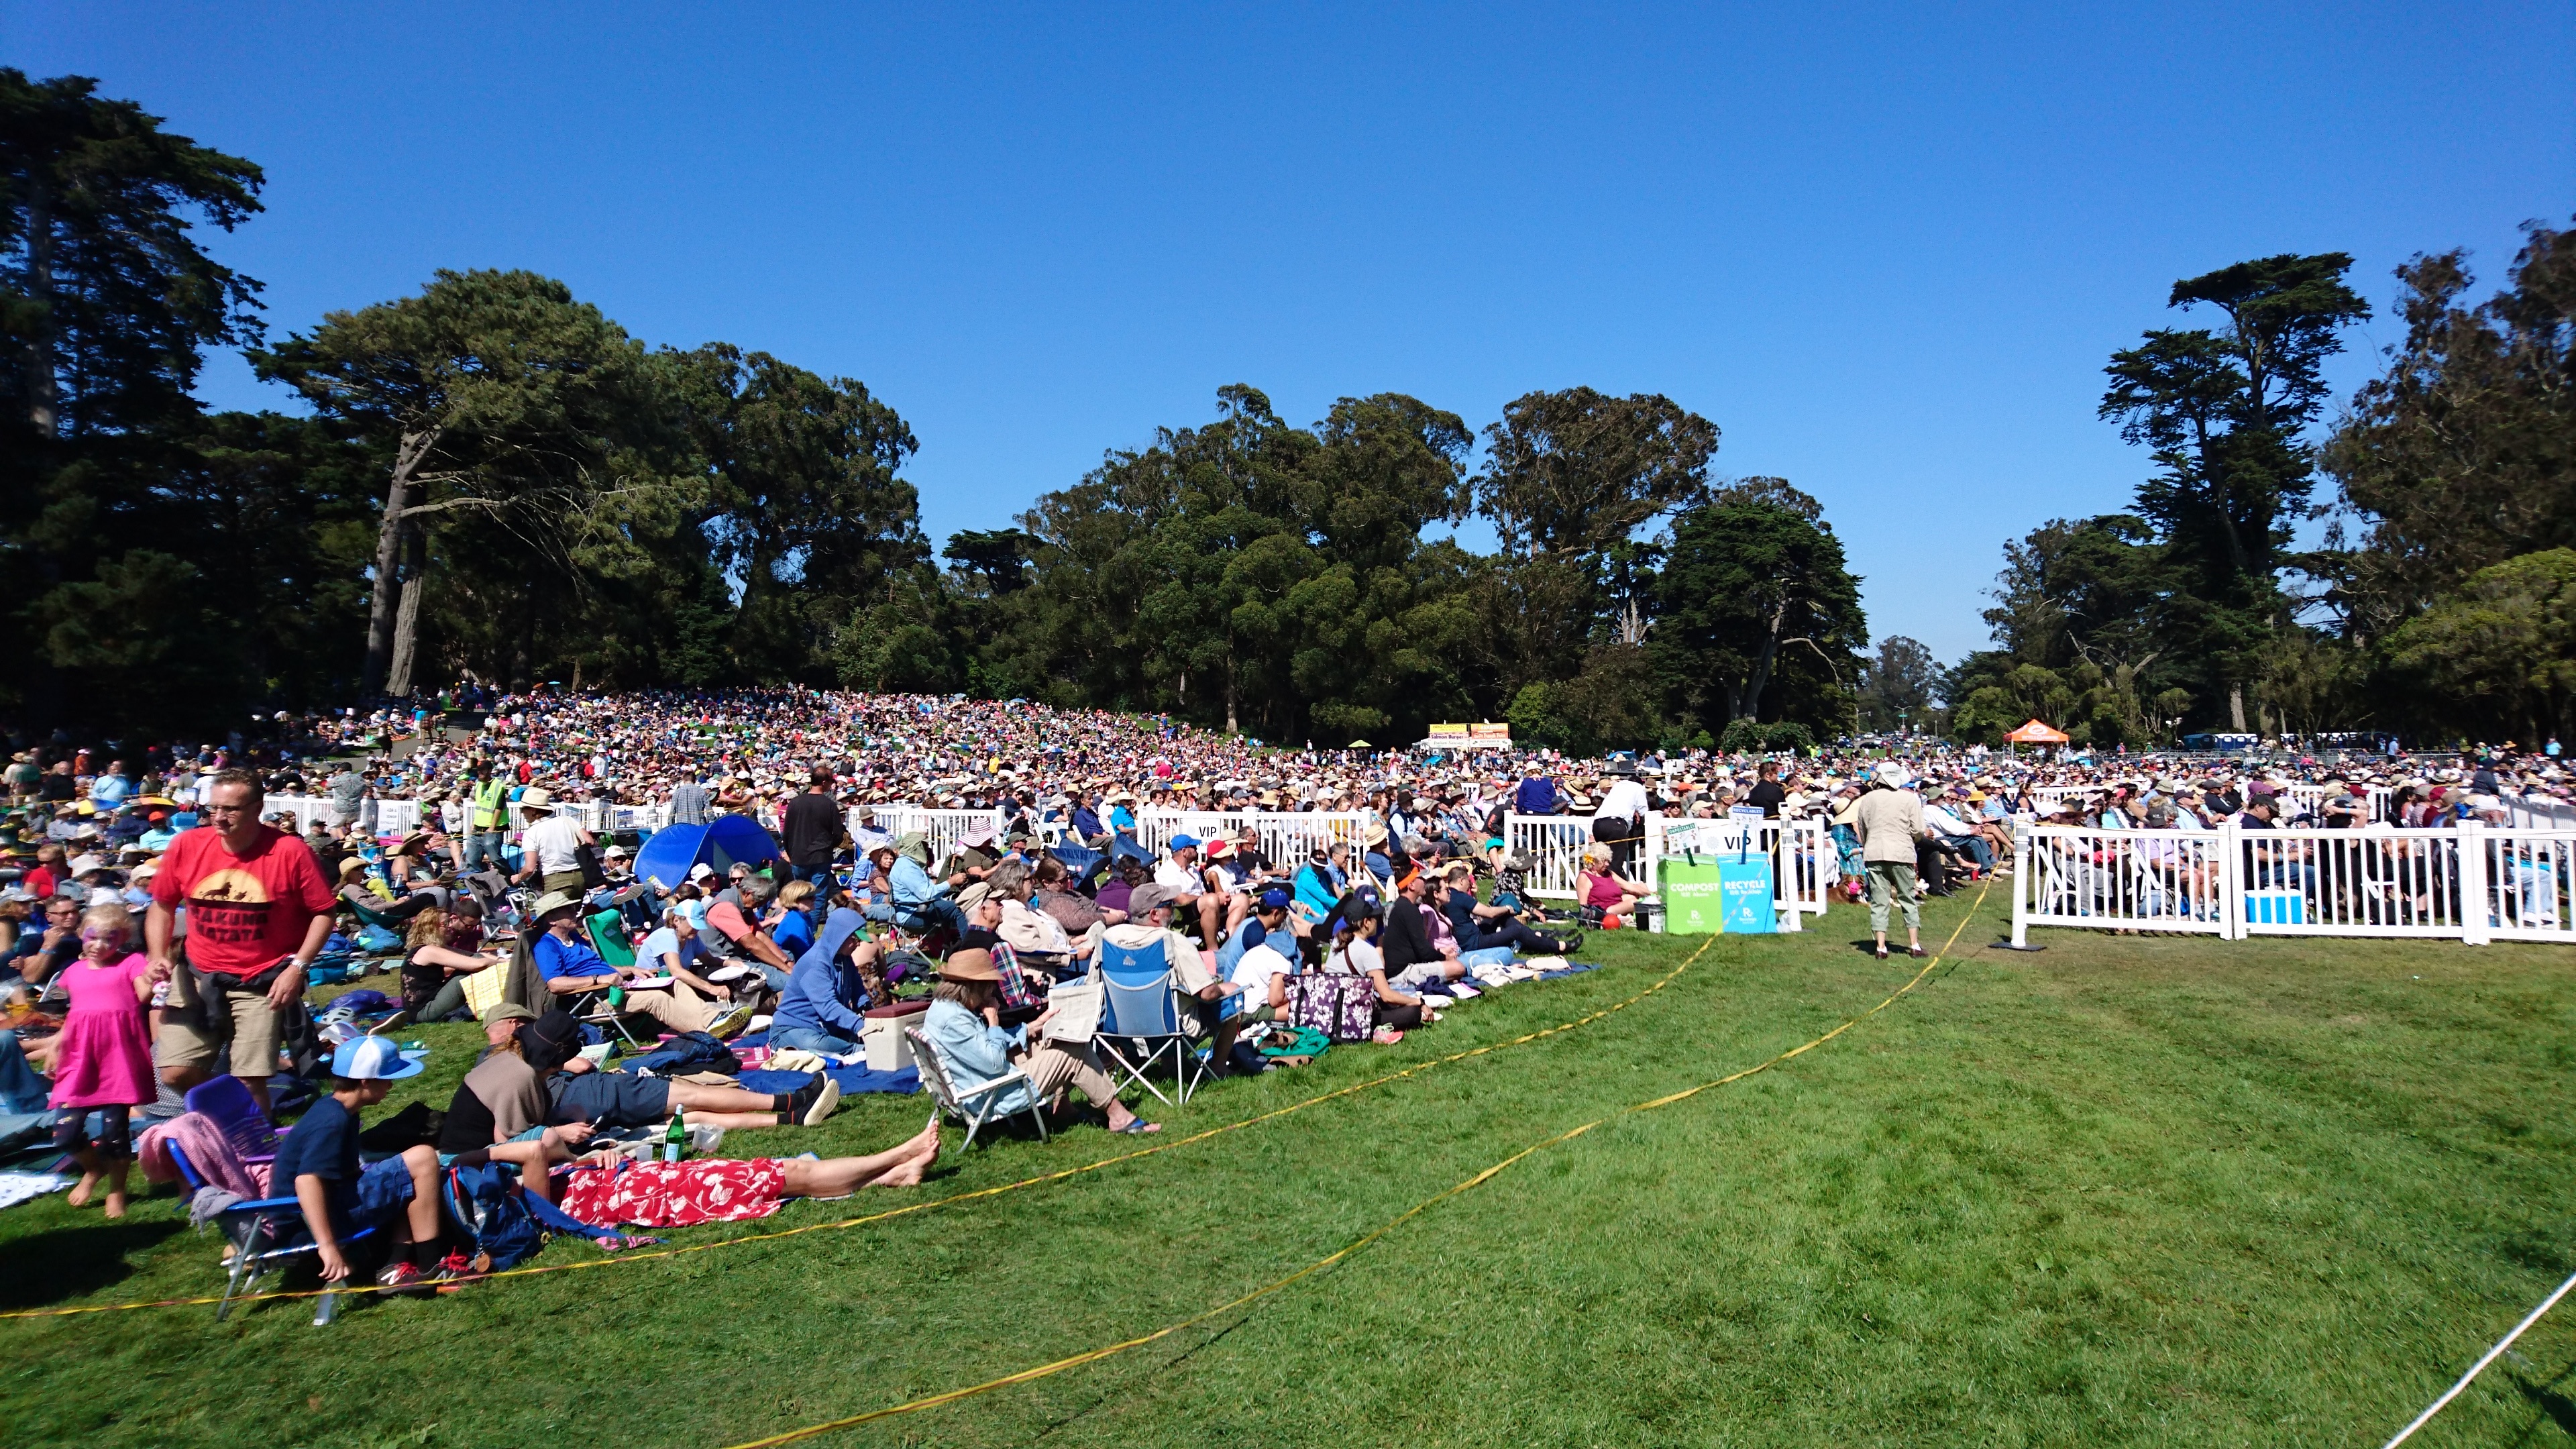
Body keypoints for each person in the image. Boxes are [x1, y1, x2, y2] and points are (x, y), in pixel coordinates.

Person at [148, 768, 338, 1112]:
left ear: (257, 808)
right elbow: (162, 904)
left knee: (251, 1079)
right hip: (197, 974)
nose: (219, 817)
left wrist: (297, 967)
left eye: (231, 809)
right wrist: (155, 955)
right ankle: (229, 1122)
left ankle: (254, 1153)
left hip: (261, 979)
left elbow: (324, 913)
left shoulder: (289, 851)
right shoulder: (187, 844)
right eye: (213, 808)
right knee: (175, 1071)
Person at [269, 1035, 455, 1294]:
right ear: (365, 1081)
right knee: (423, 1158)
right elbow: (306, 1181)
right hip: (307, 1224)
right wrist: (328, 1246)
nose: (391, 1086)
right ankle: (431, 1267)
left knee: (405, 1167)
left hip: (331, 1204)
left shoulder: (334, 1108)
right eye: (387, 1078)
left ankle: (397, 1266)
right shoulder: (332, 1122)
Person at [918, 947, 1158, 1134]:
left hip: (976, 1082)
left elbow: (980, 1050)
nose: (993, 990)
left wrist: (1032, 1027)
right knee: (1072, 1053)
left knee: (1065, 1039)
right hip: (988, 1094)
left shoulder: (944, 1008)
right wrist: (993, 1021)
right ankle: (1118, 1116)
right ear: (974, 986)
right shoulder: (955, 1022)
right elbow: (992, 1062)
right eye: (989, 984)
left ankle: (1062, 1108)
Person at [554, 1116, 944, 1226]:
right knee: (788, 1173)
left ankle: (894, 1175)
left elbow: (548, 1158)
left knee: (782, 1176)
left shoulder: (521, 1184)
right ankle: (898, 1155)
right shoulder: (523, 1194)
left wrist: (583, 1162)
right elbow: (538, 1153)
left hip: (638, 1181)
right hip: (649, 1195)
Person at [47, 903, 159, 1218]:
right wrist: (56, 1045)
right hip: (79, 1058)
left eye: (110, 939)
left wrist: (153, 977)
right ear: (82, 934)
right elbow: (75, 1014)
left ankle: (117, 1190)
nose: (99, 945)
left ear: (122, 939)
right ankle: (93, 1169)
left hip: (117, 1060)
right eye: (93, 937)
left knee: (116, 1133)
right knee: (64, 1133)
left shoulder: (131, 963)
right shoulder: (73, 972)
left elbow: (141, 996)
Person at [527, 890, 753, 1038]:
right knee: (657, 998)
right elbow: (555, 984)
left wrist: (630, 970)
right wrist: (598, 980)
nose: (574, 911)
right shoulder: (546, 946)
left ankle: (714, 1021)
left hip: (614, 989)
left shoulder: (574, 938)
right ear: (551, 919)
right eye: (567, 910)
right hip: (591, 1000)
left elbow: (599, 967)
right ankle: (707, 1034)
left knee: (673, 984)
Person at [770, 907, 881, 1059]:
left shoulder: (844, 958)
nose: (859, 944)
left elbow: (858, 990)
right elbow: (828, 1007)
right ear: (840, 936)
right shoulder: (815, 964)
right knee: (813, 1043)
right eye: (856, 939)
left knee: (834, 1040)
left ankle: (849, 1046)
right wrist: (861, 1026)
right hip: (795, 1028)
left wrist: (868, 1010)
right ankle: (857, 1051)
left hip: (828, 1027)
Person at [1854, 762, 1930, 959]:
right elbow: (1919, 829)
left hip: (1874, 852)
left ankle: (1881, 947)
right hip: (1901, 852)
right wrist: (1912, 839)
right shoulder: (1909, 798)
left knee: (1879, 901)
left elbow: (1863, 829)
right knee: (1907, 897)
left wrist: (1870, 842)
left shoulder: (1868, 799)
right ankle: (1914, 944)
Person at [400, 897, 505, 1023]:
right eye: (445, 924)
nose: (450, 927)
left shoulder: (434, 948)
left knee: (475, 962)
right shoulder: (428, 951)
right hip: (423, 1012)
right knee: (464, 976)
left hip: (431, 1000)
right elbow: (478, 964)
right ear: (432, 927)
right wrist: (502, 965)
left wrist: (505, 961)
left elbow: (473, 955)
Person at [1438, 861, 1574, 958]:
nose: (1471, 883)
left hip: (1468, 937)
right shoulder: (1460, 896)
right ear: (1461, 880)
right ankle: (1558, 946)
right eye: (1469, 881)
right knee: (1517, 929)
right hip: (1474, 942)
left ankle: (1534, 937)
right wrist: (1508, 908)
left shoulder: (1448, 895)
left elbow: (1476, 911)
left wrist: (1474, 895)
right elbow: (1489, 913)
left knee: (1502, 917)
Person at [515, 789, 591, 896]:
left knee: (551, 913)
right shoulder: (568, 820)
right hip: (580, 877)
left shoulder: (532, 832)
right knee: (574, 912)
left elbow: (529, 868)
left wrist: (518, 878)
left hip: (556, 880)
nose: (522, 812)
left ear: (533, 810)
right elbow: (589, 840)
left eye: (523, 809)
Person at [780, 767, 843, 890]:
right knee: (818, 896)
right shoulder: (830, 805)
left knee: (800, 895)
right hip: (821, 856)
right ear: (824, 782)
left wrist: (791, 852)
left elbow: (786, 833)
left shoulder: (794, 803)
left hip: (799, 855)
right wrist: (828, 847)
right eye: (831, 781)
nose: (832, 784)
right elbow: (838, 835)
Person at [1574, 846, 1650, 928]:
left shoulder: (1608, 873)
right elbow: (1583, 906)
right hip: (1602, 911)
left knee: (1640, 888)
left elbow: (1629, 886)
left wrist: (1652, 893)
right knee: (1634, 902)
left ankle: (1624, 915)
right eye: (1604, 861)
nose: (1607, 864)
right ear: (1594, 861)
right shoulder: (1584, 877)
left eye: (1608, 861)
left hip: (1615, 902)